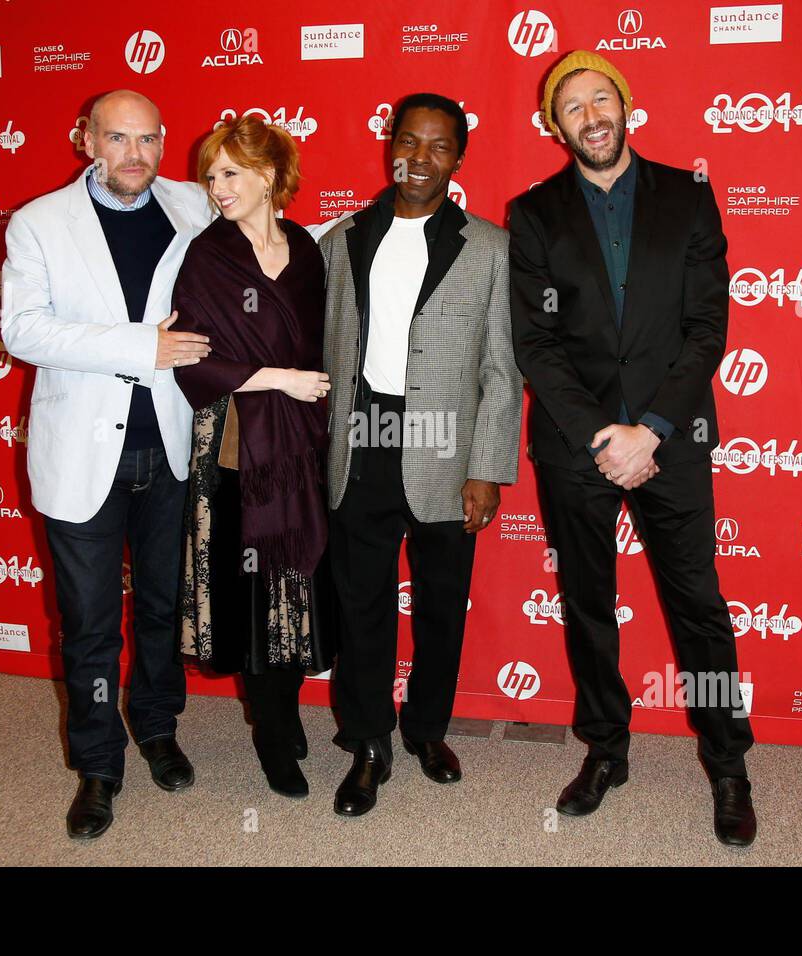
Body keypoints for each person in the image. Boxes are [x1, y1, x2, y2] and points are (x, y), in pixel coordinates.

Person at [508, 51, 757, 846]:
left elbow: (705, 326)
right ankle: (605, 751)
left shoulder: (688, 196)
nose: (592, 115)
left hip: (670, 437)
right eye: (573, 105)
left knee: (698, 605)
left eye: (601, 98)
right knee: (587, 605)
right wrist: (600, 433)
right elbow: (536, 343)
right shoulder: (535, 213)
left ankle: (727, 760)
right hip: (576, 445)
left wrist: (650, 428)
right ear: (555, 125)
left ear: (626, 105)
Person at [0, 90, 211, 840]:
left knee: (161, 607)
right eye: (117, 138)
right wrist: (138, 348)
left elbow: (269, 236)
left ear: (164, 142)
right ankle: (98, 765)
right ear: (87, 139)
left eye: (148, 139)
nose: (134, 154)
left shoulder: (195, 204)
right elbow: (23, 330)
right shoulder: (38, 224)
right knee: (90, 624)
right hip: (81, 455)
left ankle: (157, 728)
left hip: (172, 444)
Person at [318, 93, 522, 817]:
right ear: (389, 145)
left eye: (440, 146)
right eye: (410, 140)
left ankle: (426, 729)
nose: (421, 157)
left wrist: (487, 467)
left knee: (441, 605)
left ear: (458, 158)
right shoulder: (340, 239)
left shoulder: (491, 247)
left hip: (444, 445)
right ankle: (369, 742)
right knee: (360, 605)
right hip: (360, 445)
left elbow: (502, 369)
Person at [171, 116, 333, 799]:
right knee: (255, 591)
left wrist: (313, 396)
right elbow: (194, 361)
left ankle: (285, 708)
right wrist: (279, 379)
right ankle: (271, 736)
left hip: (303, 447)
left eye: (230, 172)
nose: (217, 186)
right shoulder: (209, 256)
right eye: (211, 175)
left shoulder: (304, 245)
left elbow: (327, 339)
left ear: (268, 175)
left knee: (299, 583)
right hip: (240, 449)